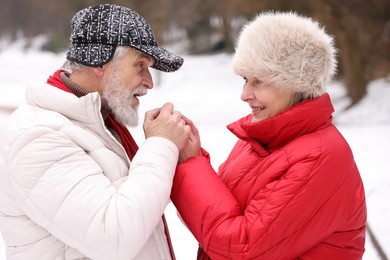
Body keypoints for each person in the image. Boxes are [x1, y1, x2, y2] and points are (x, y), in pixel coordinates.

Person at [0, 4, 190, 260]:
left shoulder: (98, 123)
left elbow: (136, 205)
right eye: (140, 65)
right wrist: (161, 145)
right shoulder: (36, 137)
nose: (149, 82)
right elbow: (114, 237)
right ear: (99, 61)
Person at [172, 11, 367, 259]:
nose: (244, 94)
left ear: (297, 82)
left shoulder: (321, 156)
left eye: (259, 81)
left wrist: (192, 165)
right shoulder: (259, 138)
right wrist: (193, 157)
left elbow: (240, 248)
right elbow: (213, 224)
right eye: (245, 79)